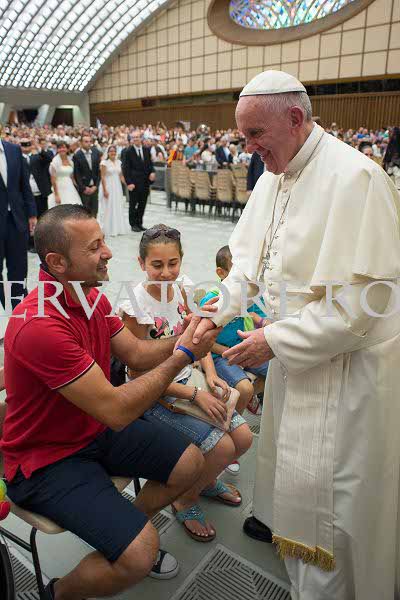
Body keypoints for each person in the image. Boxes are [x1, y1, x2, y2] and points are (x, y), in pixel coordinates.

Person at [193, 70, 400, 600]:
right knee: (296, 479)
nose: (248, 147)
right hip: (296, 361)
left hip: (350, 374)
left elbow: (365, 303)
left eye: (255, 134)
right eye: (243, 136)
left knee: (340, 498)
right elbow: (245, 263)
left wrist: (276, 341)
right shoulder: (273, 175)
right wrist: (218, 312)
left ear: (294, 118)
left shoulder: (357, 178)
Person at [1, 204, 219, 600]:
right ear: (58, 262)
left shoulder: (91, 300)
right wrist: (183, 356)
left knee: (191, 462)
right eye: (94, 247)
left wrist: (182, 338)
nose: (108, 252)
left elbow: (135, 353)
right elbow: (116, 411)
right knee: (139, 556)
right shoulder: (40, 325)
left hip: (91, 430)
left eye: (103, 241)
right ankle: (58, 593)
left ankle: (125, 534)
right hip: (45, 460)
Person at [118, 224, 253, 542]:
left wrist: (211, 374)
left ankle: (203, 482)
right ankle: (185, 499)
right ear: (141, 263)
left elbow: (198, 339)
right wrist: (194, 394)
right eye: (157, 265)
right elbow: (137, 376)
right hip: (154, 395)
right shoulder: (135, 306)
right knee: (222, 447)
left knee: (243, 438)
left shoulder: (184, 288)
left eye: (173, 263)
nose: (166, 273)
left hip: (188, 379)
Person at [200, 245, 269, 475]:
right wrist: (231, 353)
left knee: (279, 365)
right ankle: (228, 431)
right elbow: (204, 342)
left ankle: (250, 403)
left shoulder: (249, 295)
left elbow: (259, 320)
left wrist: (261, 323)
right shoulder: (213, 299)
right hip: (220, 355)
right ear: (221, 273)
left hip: (241, 348)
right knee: (244, 388)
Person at [0, 136, 36, 310]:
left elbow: (24, 184)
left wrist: (32, 213)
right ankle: (5, 305)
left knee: (19, 267)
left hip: (17, 219)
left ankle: (20, 308)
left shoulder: (13, 150)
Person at [20, 137, 53, 252]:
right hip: (25, 196)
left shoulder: (37, 157)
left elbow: (49, 158)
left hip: (40, 194)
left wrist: (38, 147)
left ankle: (41, 243)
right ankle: (29, 243)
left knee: (42, 218)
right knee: (27, 219)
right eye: (23, 144)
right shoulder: (18, 158)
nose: (26, 147)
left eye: (28, 144)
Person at [122, 132, 155, 232]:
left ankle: (139, 223)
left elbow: (150, 164)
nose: (135, 139)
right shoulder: (128, 151)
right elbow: (125, 168)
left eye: (137, 137)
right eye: (133, 137)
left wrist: (152, 172)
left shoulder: (146, 150)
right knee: (133, 204)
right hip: (134, 183)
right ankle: (133, 224)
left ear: (141, 138)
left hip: (145, 182)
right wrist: (129, 183)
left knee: (142, 204)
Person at [98, 145, 129, 236]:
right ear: (108, 153)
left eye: (114, 151)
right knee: (107, 206)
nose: (113, 153)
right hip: (108, 186)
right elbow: (102, 177)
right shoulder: (104, 163)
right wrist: (104, 190)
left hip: (117, 187)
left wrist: (127, 184)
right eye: (111, 151)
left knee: (116, 205)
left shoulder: (119, 162)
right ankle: (107, 228)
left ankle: (117, 227)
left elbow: (121, 175)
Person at [73, 135, 101, 217]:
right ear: (81, 143)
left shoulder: (95, 153)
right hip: (84, 188)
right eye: (86, 142)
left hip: (94, 187)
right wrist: (83, 188)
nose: (89, 143)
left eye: (90, 141)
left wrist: (96, 186)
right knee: (85, 212)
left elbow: (98, 172)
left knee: (95, 211)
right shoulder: (77, 155)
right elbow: (77, 174)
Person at [48, 142, 81, 208]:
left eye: (63, 147)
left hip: (70, 187)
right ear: (57, 150)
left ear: (67, 149)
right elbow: (53, 180)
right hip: (59, 187)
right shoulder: (55, 162)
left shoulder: (70, 161)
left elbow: (72, 177)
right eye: (59, 148)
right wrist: (56, 195)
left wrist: (77, 187)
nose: (62, 149)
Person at [383, 126, 400, 190]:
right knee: (390, 175)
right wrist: (385, 161)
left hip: (396, 162)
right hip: (391, 161)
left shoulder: (396, 139)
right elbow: (388, 152)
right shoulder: (392, 140)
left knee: (397, 175)